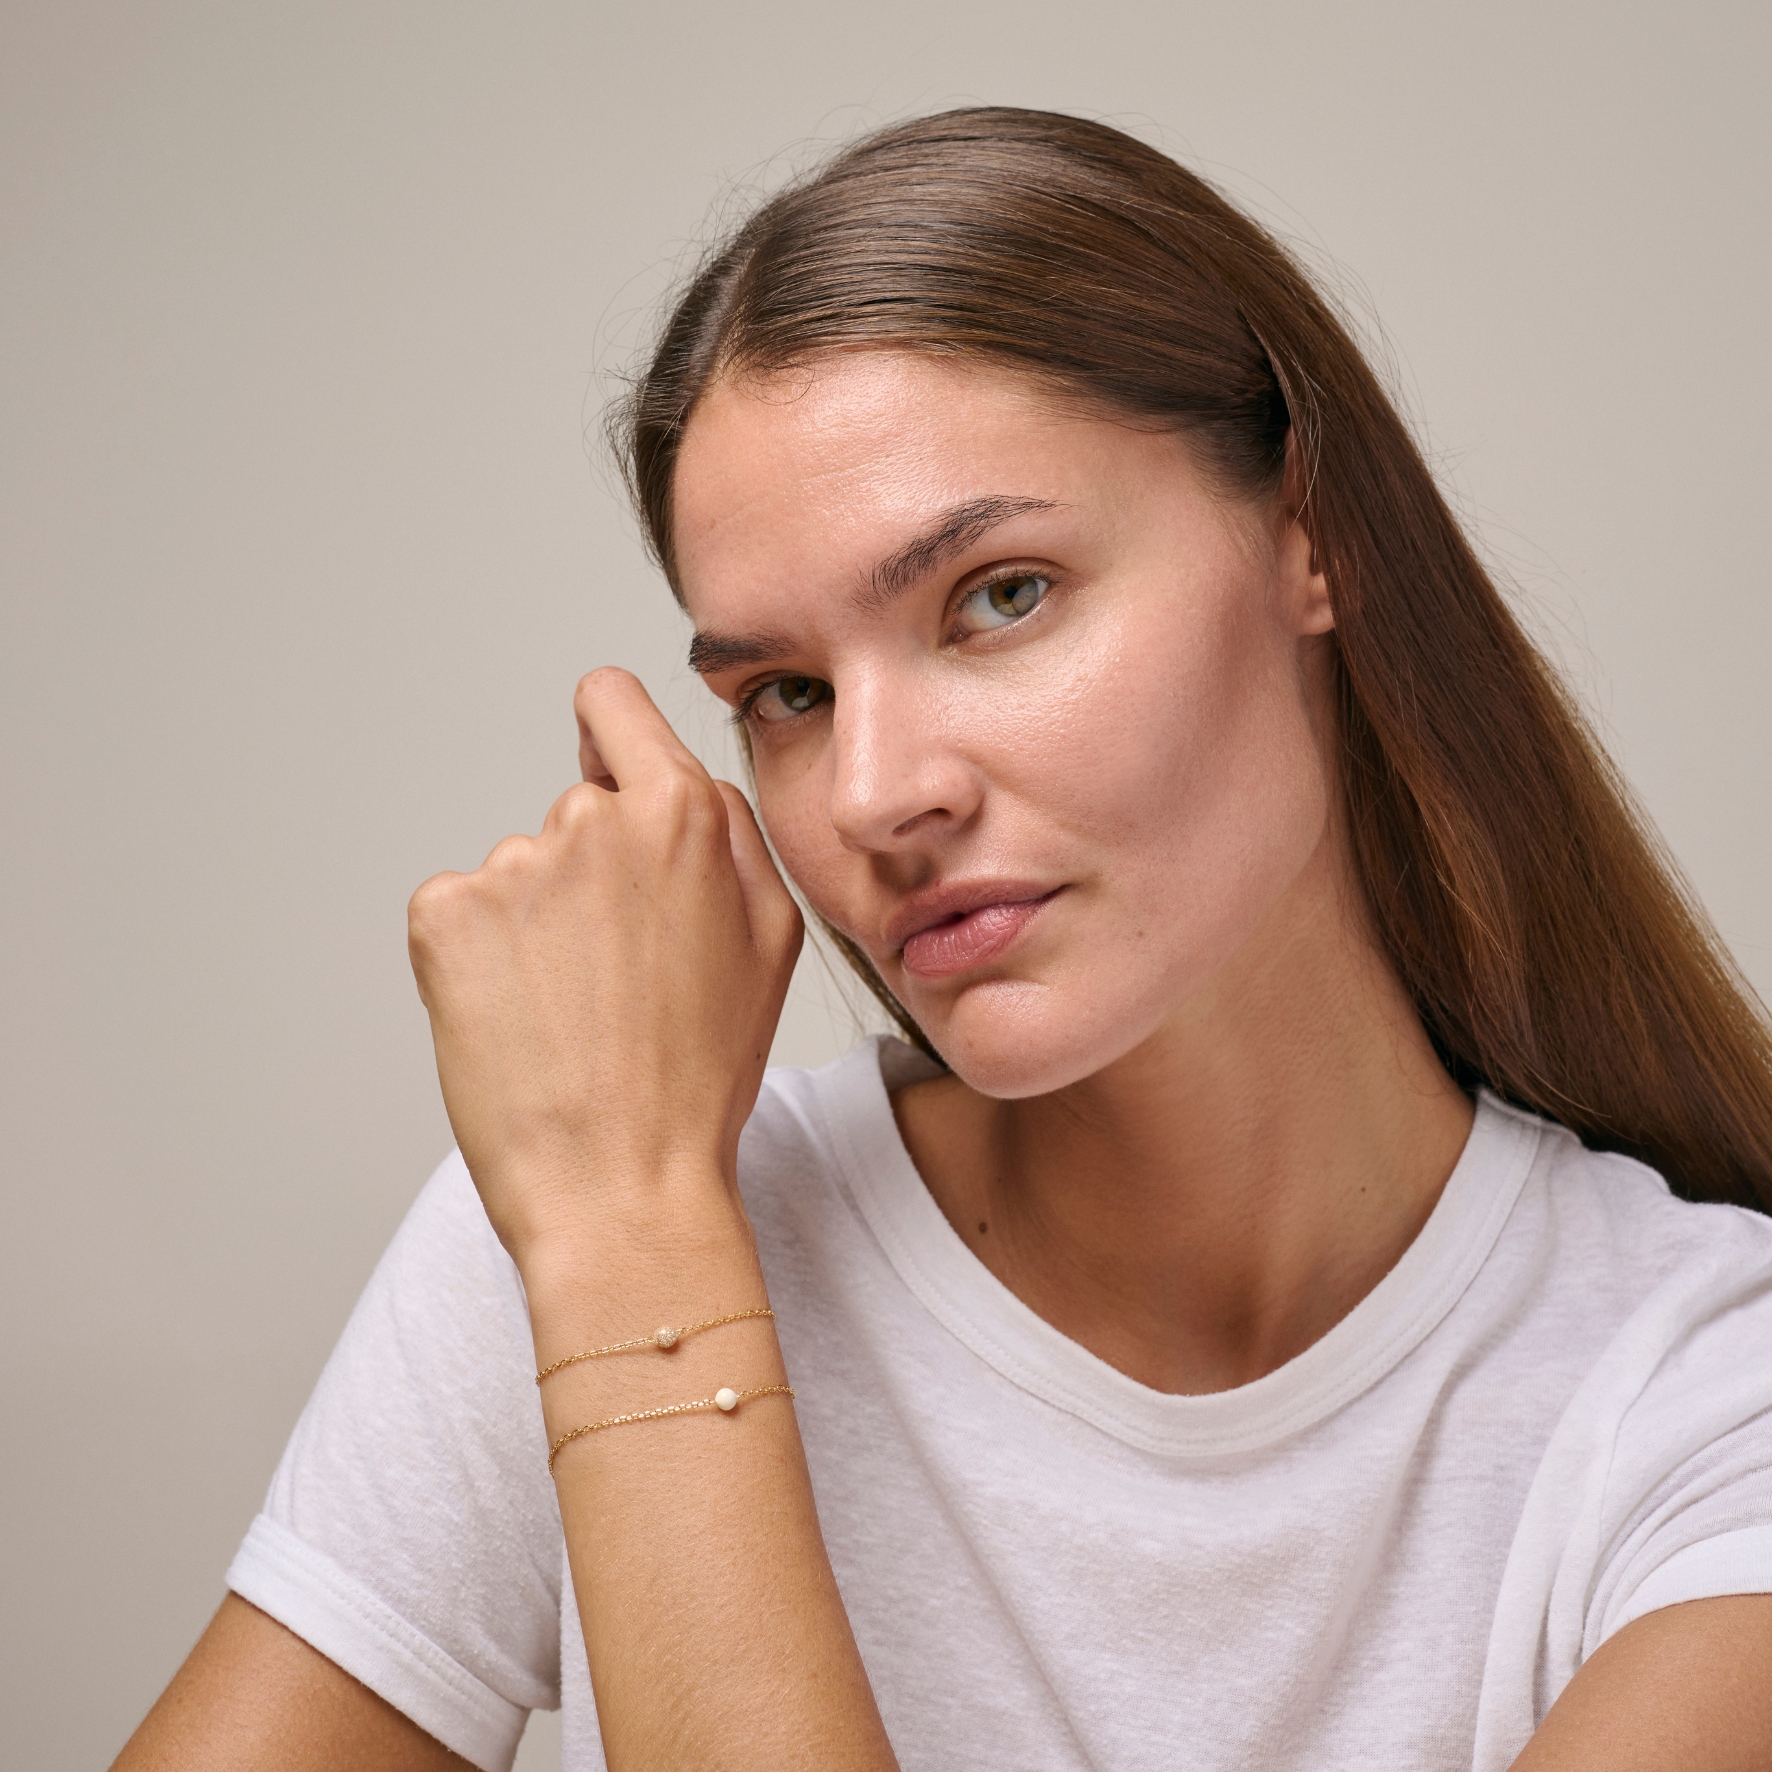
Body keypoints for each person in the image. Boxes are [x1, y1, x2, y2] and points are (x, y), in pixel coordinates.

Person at [116, 108, 1772, 1772]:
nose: (873, 794)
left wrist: (638, 1285)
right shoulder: (615, 1205)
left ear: (1311, 537)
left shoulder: (1712, 1409)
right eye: (789, 694)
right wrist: (630, 1246)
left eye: (1000, 595)